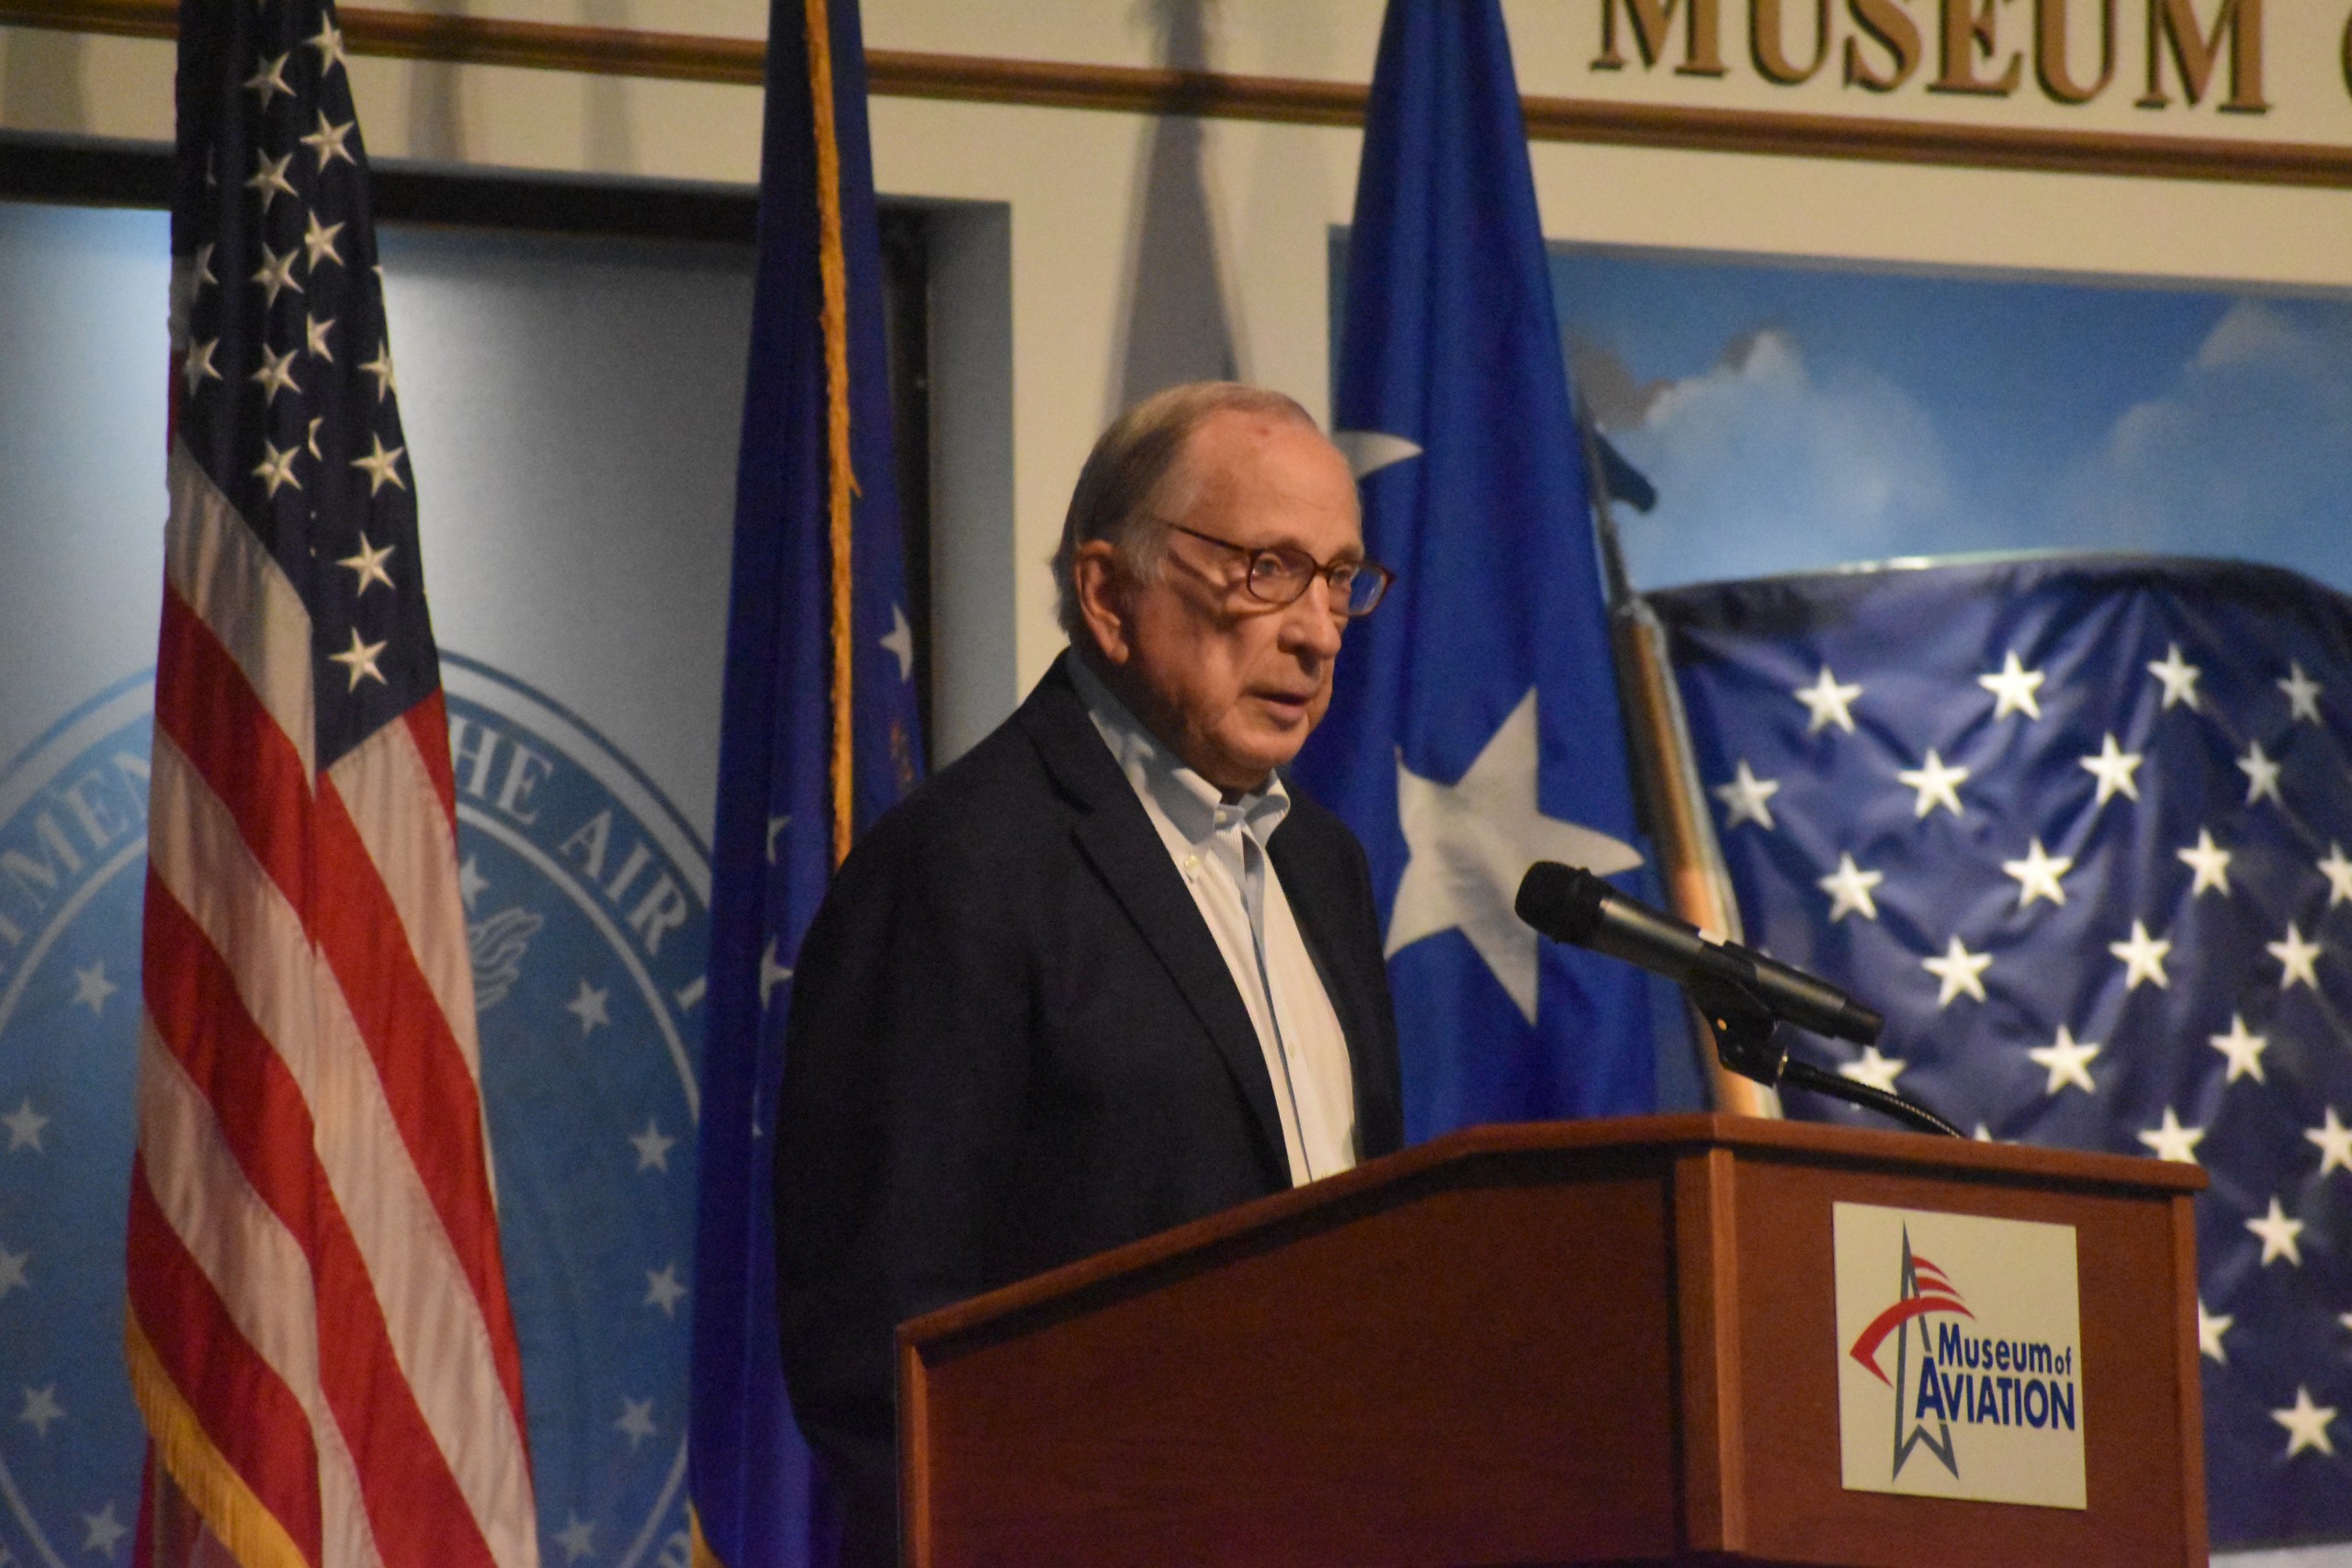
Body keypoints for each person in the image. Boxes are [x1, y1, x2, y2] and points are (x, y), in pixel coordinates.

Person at [774, 381, 1406, 1564]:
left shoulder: (1327, 868)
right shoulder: (959, 871)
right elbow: (881, 1354)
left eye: (1338, 577)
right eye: (1268, 568)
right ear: (1110, 596)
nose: (1319, 630)